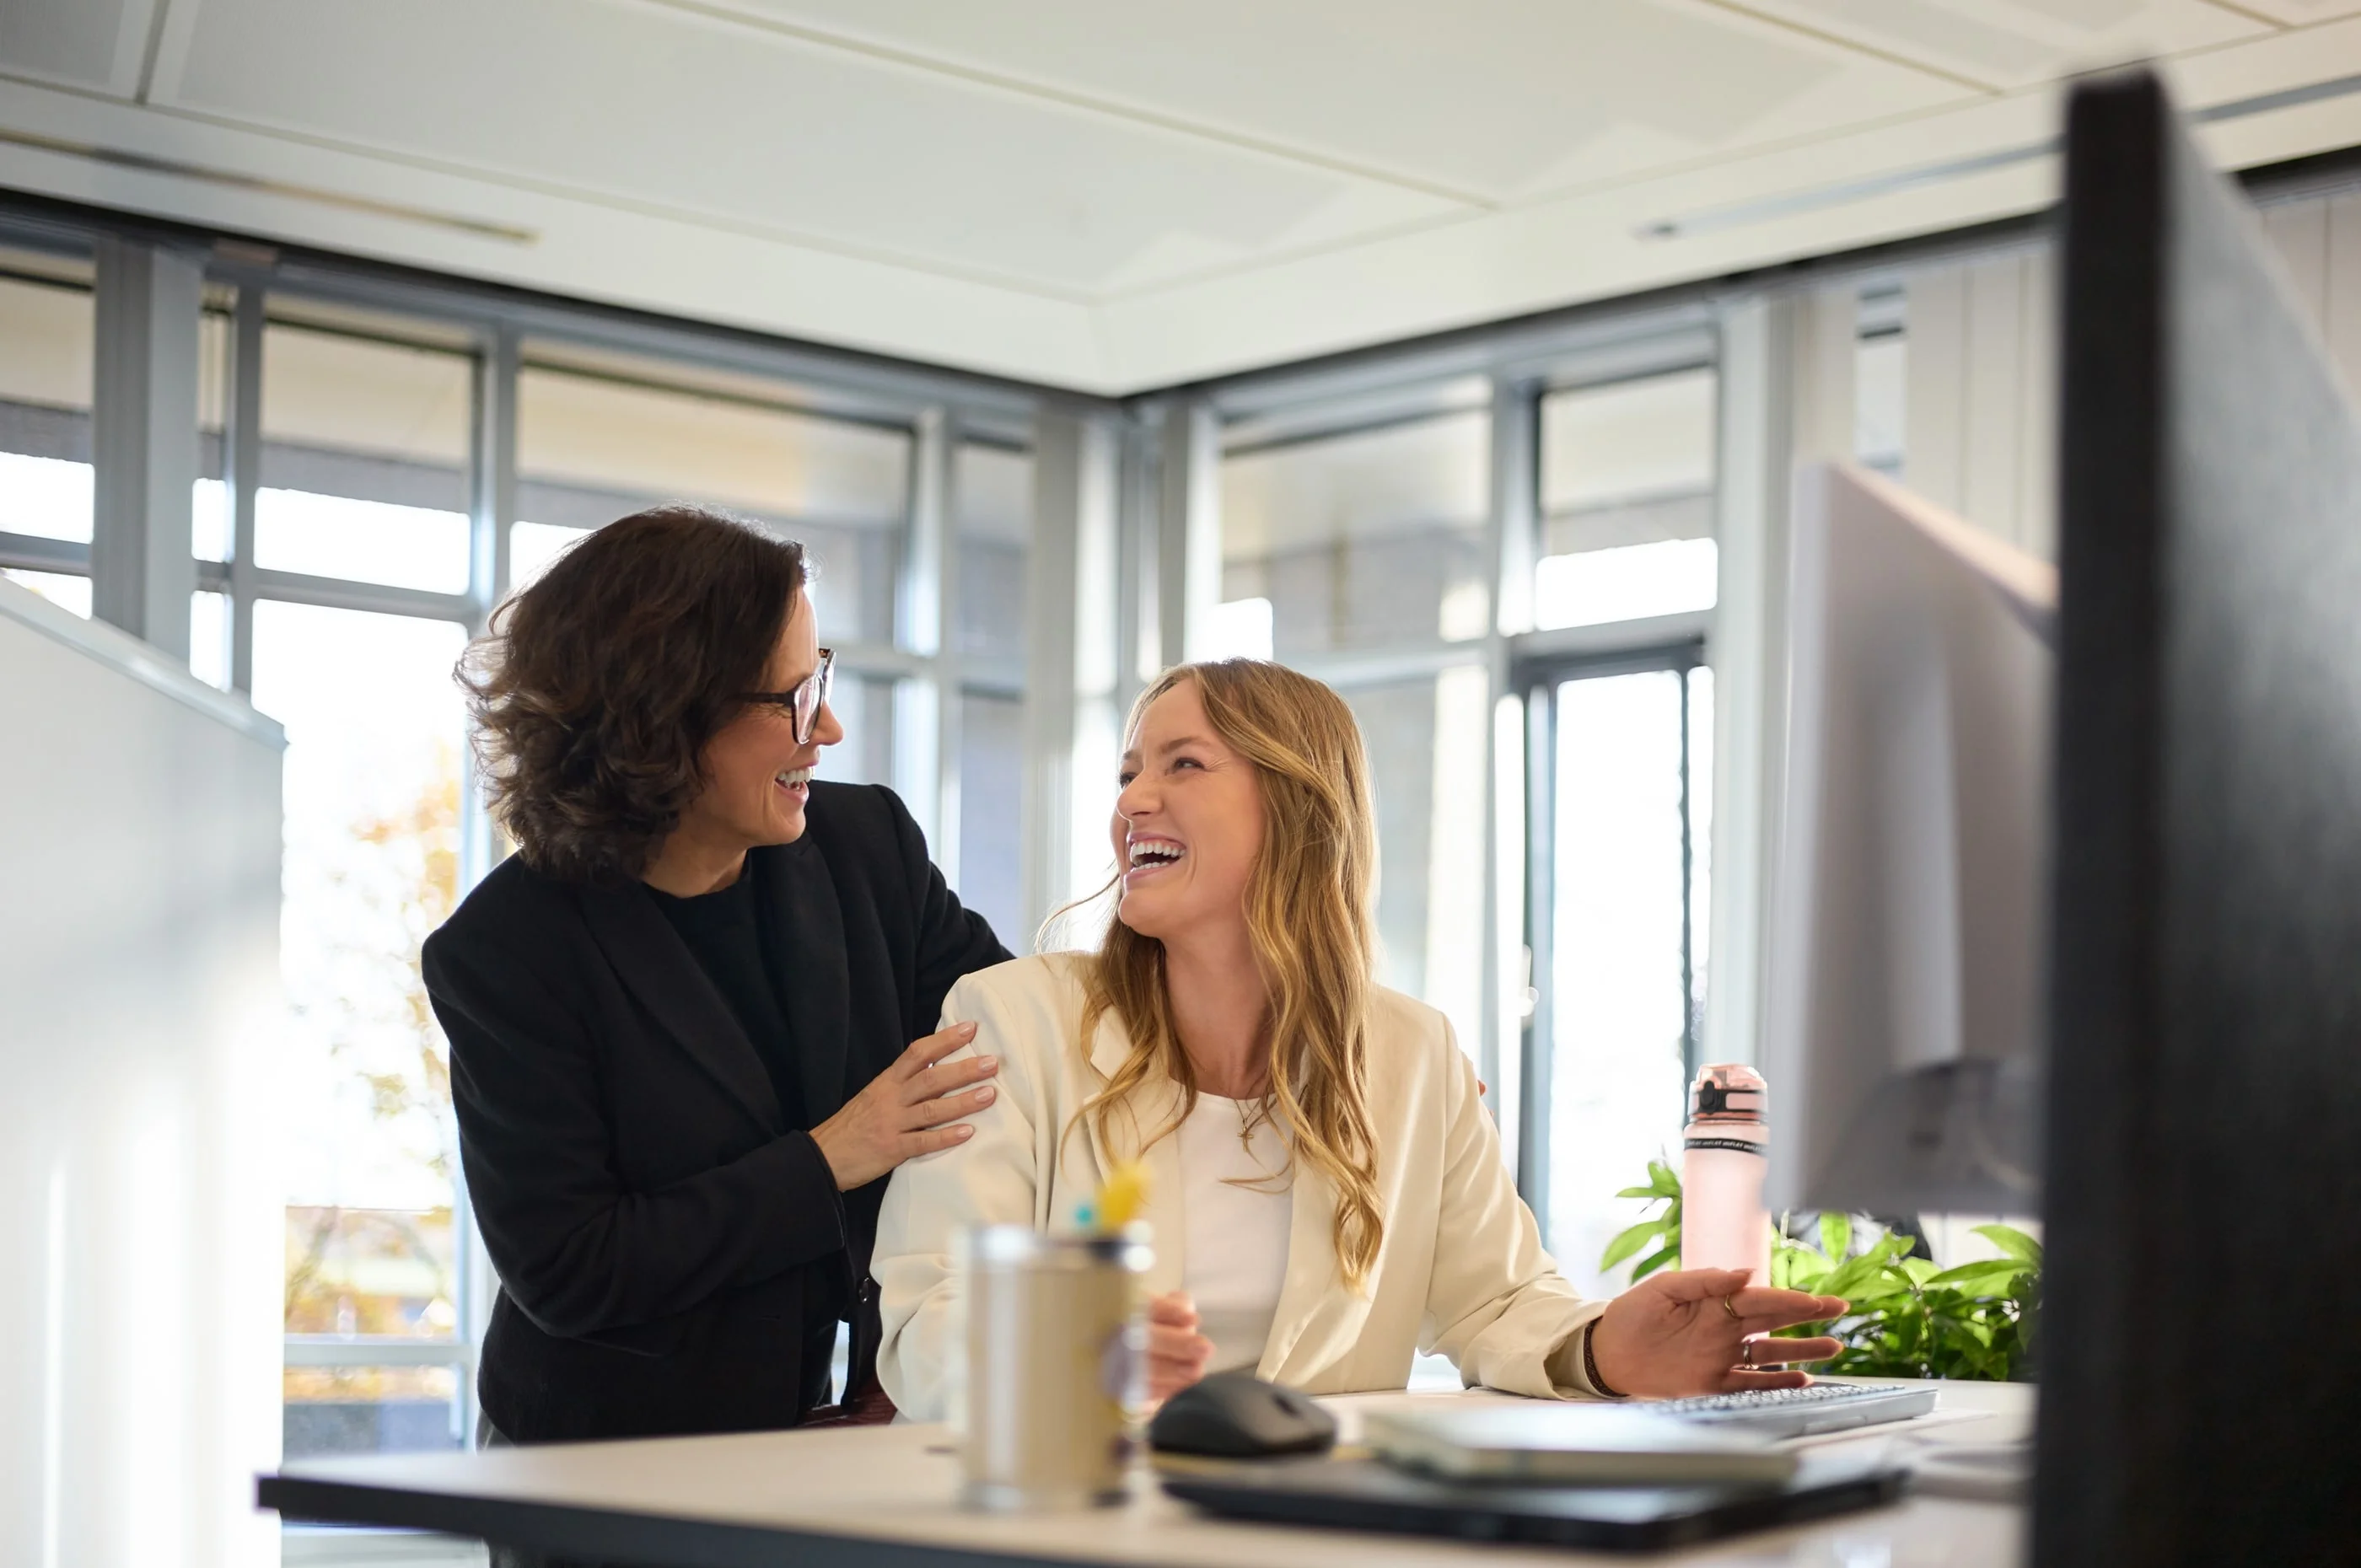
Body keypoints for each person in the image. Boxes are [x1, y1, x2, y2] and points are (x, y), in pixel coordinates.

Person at [873, 660, 1846, 1416]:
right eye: (1128, 771)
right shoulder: (1012, 1019)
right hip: (1078, 1518)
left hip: (1319, 1526)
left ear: (1297, 804)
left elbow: (1495, 1301)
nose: (1131, 801)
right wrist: (1076, 1366)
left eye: (1183, 764)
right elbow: (927, 1318)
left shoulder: (1412, 1054)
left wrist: (1599, 1350)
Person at [423, 505, 1008, 1453]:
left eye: (820, 679)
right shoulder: (505, 952)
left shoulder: (868, 851)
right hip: (601, 1466)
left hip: (832, 1438)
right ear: (664, 720)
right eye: (793, 698)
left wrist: (900, 1363)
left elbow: (1010, 1060)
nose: (828, 727)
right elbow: (573, 1269)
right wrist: (831, 1157)